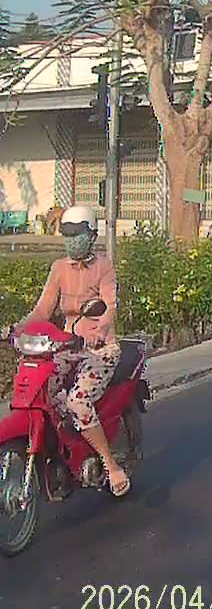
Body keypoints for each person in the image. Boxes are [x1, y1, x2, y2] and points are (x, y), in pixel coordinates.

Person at [19, 205, 129, 496]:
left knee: (78, 402)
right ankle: (63, 449)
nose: (71, 240)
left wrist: (100, 331)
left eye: (77, 234)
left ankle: (109, 464)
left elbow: (109, 306)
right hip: (66, 346)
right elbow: (42, 310)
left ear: (91, 235)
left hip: (99, 349)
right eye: (67, 234)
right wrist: (16, 329)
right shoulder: (59, 268)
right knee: (40, 391)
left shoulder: (103, 266)